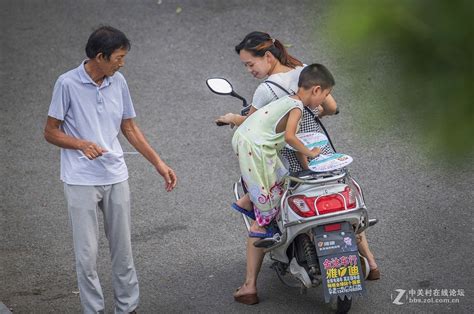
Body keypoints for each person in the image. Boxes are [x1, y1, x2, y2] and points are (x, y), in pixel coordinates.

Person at [220, 32, 379, 305]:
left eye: (250, 64)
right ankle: (372, 263)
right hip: (321, 152)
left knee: (264, 210)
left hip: (289, 158)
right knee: (340, 194)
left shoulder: (266, 90)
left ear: (268, 56)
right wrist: (311, 119)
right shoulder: (304, 70)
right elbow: (330, 107)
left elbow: (254, 123)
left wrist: (233, 118)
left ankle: (249, 286)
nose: (250, 71)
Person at [44, 26, 177, 313]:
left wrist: (158, 162)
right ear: (100, 56)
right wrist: (80, 144)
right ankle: (93, 310)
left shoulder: (118, 82)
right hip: (80, 180)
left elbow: (128, 126)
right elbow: (50, 132)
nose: (122, 62)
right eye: (118, 57)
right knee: (87, 256)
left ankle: (128, 308)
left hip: (116, 176)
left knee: (123, 251)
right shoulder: (66, 84)